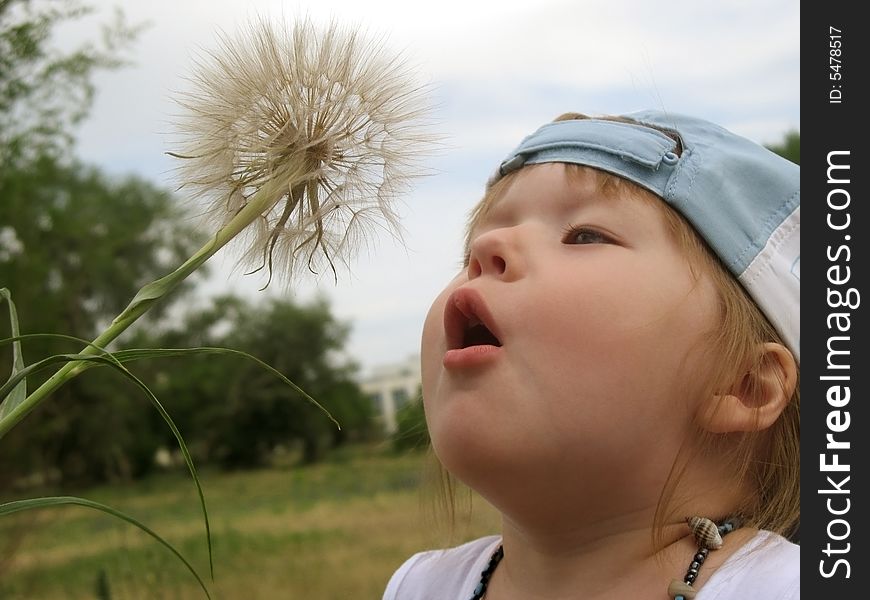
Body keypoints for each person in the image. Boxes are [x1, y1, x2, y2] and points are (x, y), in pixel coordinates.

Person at [383, 110, 800, 600]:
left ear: (742, 385)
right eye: (470, 250)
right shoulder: (419, 586)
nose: (487, 247)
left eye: (583, 235)